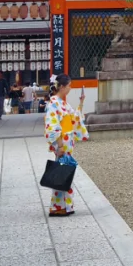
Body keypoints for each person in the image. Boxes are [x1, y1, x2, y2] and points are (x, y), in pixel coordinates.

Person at [43, 73, 88, 218]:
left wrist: (81, 103)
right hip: (62, 142)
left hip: (67, 142)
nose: (70, 88)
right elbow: (53, 126)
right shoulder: (54, 103)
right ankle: (58, 207)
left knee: (65, 172)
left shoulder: (62, 102)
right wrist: (60, 145)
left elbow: (74, 117)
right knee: (61, 173)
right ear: (61, 87)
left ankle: (65, 206)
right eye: (68, 86)